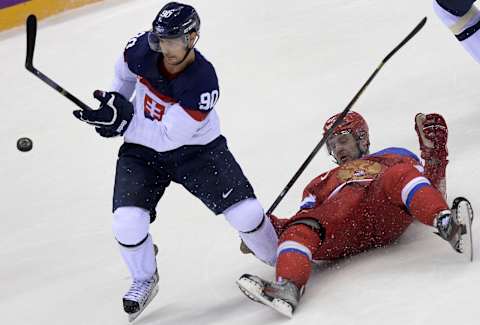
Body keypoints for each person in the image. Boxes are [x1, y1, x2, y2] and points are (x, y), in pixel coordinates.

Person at [72, 2, 278, 320]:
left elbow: (170, 136)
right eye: (160, 40)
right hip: (141, 153)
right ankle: (144, 279)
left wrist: (122, 122)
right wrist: (113, 104)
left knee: (247, 215)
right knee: (126, 223)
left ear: (192, 38)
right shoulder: (141, 49)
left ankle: (283, 260)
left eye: (172, 41)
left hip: (198, 151)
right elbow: (123, 78)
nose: (164, 48)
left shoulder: (202, 82)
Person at [236, 111, 467, 318]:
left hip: (384, 211)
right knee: (302, 226)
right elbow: (304, 221)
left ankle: (446, 222)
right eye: (332, 145)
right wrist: (266, 229)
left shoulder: (393, 156)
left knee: (399, 173)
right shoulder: (319, 182)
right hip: (338, 230)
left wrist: (434, 155)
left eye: (343, 140)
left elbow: (428, 187)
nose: (338, 149)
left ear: (362, 138)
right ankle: (287, 287)